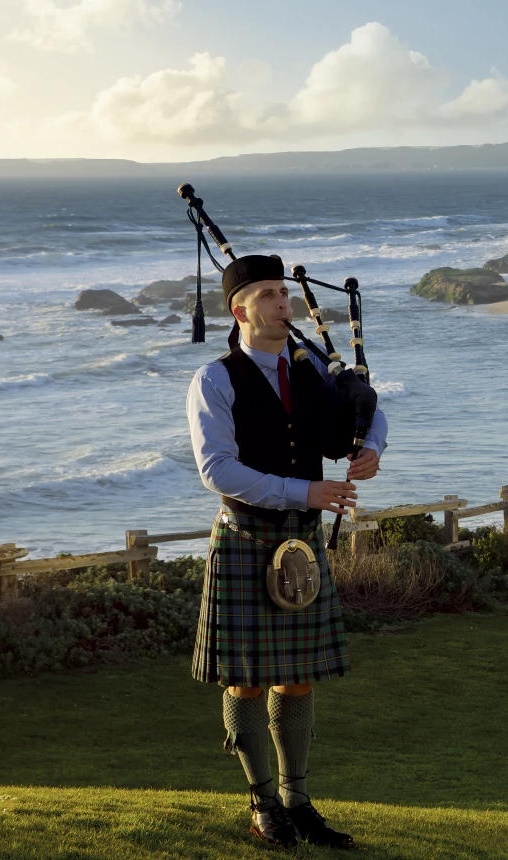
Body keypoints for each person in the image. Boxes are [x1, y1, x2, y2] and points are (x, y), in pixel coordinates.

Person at [185, 254, 387, 849]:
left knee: (297, 680)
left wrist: (371, 448)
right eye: (270, 294)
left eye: (284, 292)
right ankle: (261, 802)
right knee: (247, 681)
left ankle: (299, 802)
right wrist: (309, 490)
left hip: (299, 539)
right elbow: (216, 469)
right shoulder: (214, 380)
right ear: (239, 309)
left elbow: (367, 407)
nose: (284, 303)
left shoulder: (311, 370)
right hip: (248, 537)